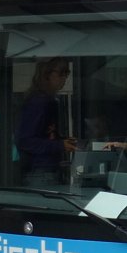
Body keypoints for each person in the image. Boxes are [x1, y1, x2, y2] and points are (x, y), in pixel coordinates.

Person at [16, 57, 77, 186]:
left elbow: (47, 134)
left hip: (48, 169)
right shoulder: (38, 102)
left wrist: (63, 141)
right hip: (39, 171)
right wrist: (60, 145)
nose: (64, 78)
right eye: (61, 73)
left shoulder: (50, 100)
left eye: (67, 73)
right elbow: (25, 140)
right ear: (47, 74)